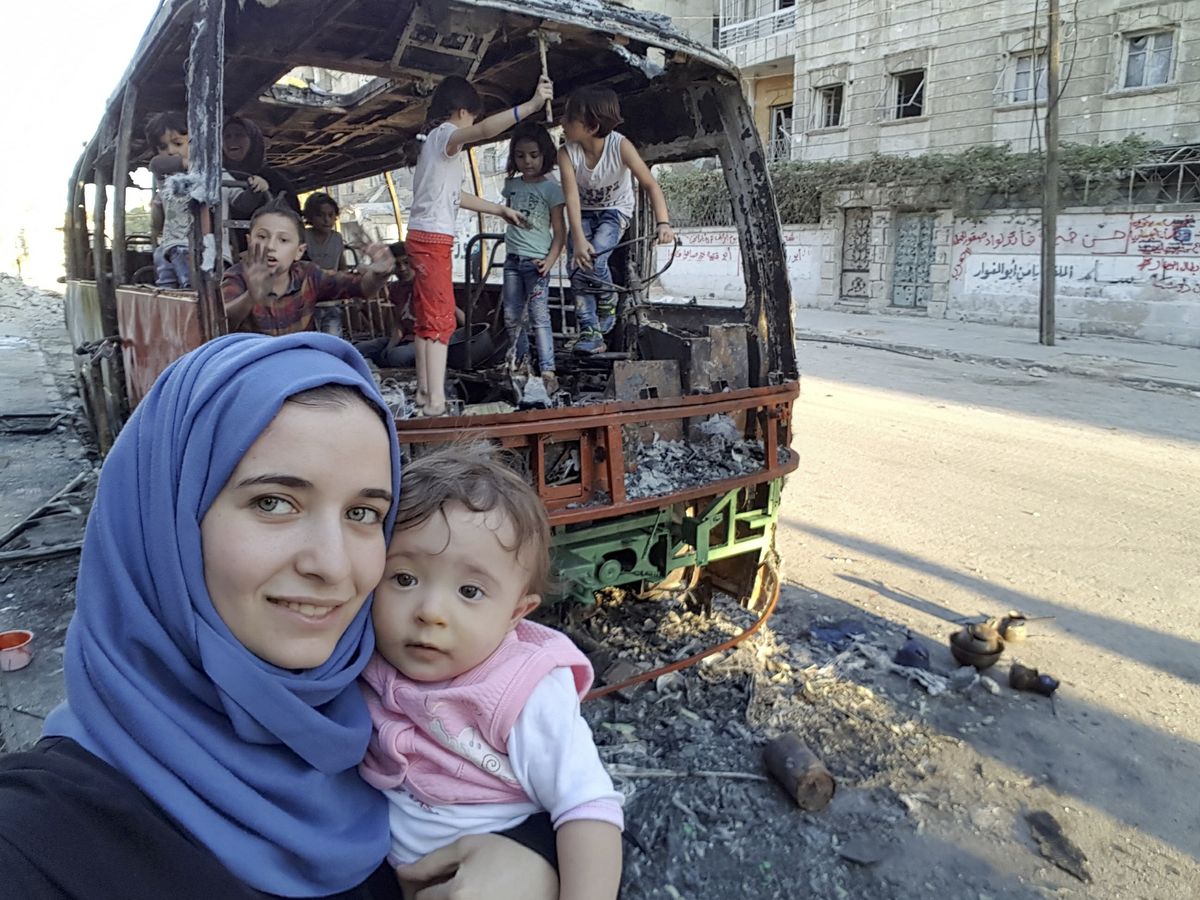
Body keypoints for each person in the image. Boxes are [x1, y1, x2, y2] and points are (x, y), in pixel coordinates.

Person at [0, 333, 560, 898]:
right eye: (273, 503)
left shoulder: (387, 719)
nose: (334, 565)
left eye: (364, 513)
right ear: (162, 522)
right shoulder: (40, 842)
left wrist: (533, 854)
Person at [360, 446, 624, 900]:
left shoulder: (521, 690)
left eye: (469, 590)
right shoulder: (364, 656)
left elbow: (586, 806)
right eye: (404, 579)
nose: (430, 612)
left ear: (515, 615)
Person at [401, 74, 553, 416]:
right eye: (472, 117)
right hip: (434, 239)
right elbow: (484, 132)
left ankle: (426, 396)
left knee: (428, 321)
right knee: (442, 322)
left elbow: (456, 196)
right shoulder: (445, 137)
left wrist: (499, 209)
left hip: (421, 237)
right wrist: (530, 106)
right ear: (461, 111)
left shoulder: (431, 148)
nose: (472, 125)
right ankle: (436, 403)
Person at [557, 88, 675, 354]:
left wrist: (663, 223)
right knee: (577, 266)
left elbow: (650, 184)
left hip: (615, 210)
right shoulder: (566, 153)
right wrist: (577, 239)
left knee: (596, 256)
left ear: (591, 126)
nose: (562, 122)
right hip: (583, 211)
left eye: (568, 118)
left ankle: (608, 299)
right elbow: (572, 198)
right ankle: (591, 332)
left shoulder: (620, 146)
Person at [222, 196, 393, 336]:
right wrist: (250, 297)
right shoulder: (236, 276)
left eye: (283, 240)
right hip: (254, 368)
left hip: (301, 365)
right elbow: (222, 321)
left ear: (299, 251)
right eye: (262, 237)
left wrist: (379, 274)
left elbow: (361, 287)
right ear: (249, 242)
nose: (270, 246)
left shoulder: (308, 275)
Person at [145, 111, 255, 289]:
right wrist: (188, 164)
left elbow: (242, 202)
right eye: (163, 147)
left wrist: (256, 188)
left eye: (178, 143)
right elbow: (156, 164)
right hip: (179, 244)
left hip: (217, 251)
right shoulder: (168, 173)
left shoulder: (218, 173)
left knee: (205, 293)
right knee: (191, 291)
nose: (171, 151)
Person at [500, 123, 565, 395]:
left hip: (537, 263)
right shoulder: (511, 186)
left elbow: (560, 233)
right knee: (512, 316)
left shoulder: (552, 189)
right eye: (520, 156)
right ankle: (522, 365)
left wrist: (550, 261)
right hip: (512, 261)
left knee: (539, 317)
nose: (527, 161)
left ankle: (548, 370)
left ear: (545, 155)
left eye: (534, 155)